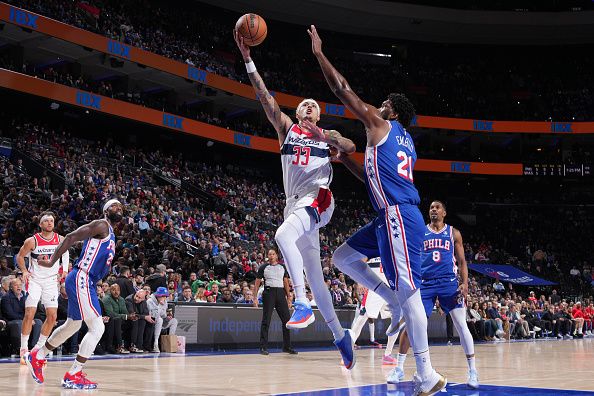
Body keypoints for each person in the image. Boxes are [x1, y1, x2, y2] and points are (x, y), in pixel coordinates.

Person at [308, 26, 445, 393]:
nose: (377, 104)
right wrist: (344, 157)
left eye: (383, 101)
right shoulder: (404, 143)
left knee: (411, 292)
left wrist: (319, 54)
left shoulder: (381, 124)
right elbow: (369, 176)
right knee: (342, 258)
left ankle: (427, 372)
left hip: (399, 214)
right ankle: (387, 298)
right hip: (387, 216)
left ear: (392, 110)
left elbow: (342, 90)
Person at [233, 29, 357, 368]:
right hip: (296, 204)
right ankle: (339, 335)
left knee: (282, 235)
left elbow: (350, 147)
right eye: (303, 105)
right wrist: (247, 59)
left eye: (313, 107)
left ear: (318, 116)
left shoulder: (325, 136)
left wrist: (326, 135)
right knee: (317, 278)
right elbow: (263, 97)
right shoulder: (286, 129)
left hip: (319, 198)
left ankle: (300, 302)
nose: (307, 107)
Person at [25, 199, 122, 389]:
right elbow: (70, 237)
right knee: (97, 327)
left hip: (86, 281)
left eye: (120, 207)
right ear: (105, 211)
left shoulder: (111, 235)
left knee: (72, 325)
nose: (118, 208)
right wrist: (53, 261)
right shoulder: (101, 224)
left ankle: (37, 355)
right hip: (82, 278)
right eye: (114, 206)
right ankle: (74, 374)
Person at [392, 201, 478, 388]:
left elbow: (462, 261)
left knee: (461, 325)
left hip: (448, 283)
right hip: (425, 284)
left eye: (437, 207)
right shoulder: (420, 231)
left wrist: (464, 283)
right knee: (412, 324)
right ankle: (398, 368)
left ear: (444, 212)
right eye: (431, 207)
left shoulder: (453, 233)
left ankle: (473, 371)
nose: (433, 209)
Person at [15, 211, 69, 363]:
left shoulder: (60, 239)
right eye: (46, 221)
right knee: (29, 313)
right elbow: (20, 256)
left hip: (51, 281)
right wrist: (24, 270)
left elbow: (65, 254)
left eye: (51, 220)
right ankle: (24, 348)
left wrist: (64, 270)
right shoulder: (32, 241)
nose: (49, 223)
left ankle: (38, 350)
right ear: (40, 224)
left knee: (52, 316)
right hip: (35, 280)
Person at [349, 258, 404, 365]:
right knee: (361, 319)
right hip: (373, 286)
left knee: (397, 319)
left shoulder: (393, 244)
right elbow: (359, 261)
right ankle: (348, 352)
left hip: (390, 286)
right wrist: (360, 281)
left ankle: (387, 354)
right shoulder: (371, 243)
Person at [253, 249, 296, 356]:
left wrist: (289, 297)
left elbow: (285, 282)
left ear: (276, 256)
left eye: (273, 254)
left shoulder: (282, 267)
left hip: (281, 293)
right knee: (266, 320)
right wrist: (255, 298)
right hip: (269, 293)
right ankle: (263, 347)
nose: (271, 256)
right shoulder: (263, 267)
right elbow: (257, 283)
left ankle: (287, 346)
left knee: (286, 320)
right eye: (269, 254)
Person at [147, 286, 178, 353]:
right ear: (158, 295)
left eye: (165, 296)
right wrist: (159, 306)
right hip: (152, 321)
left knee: (174, 321)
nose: (164, 298)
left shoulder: (165, 301)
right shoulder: (150, 301)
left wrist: (167, 317)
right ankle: (156, 343)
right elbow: (154, 316)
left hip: (161, 321)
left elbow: (163, 315)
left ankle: (169, 342)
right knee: (160, 319)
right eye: (163, 296)